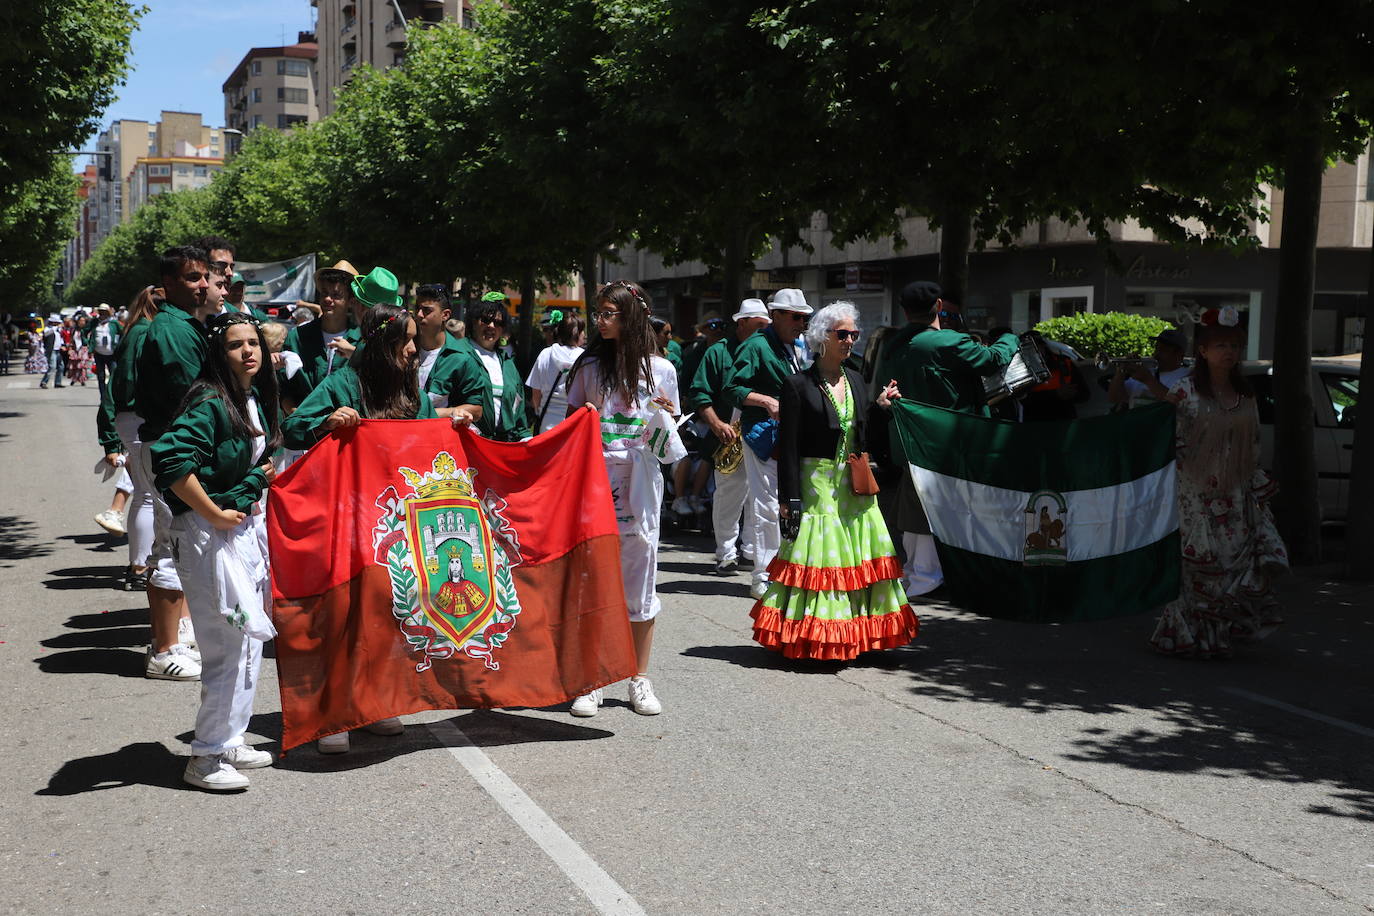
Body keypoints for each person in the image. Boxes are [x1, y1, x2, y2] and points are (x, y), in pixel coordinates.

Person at [280, 303, 460, 753]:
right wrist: (329, 421)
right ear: (383, 344)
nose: (415, 350)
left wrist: (449, 425)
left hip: (393, 522)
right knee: (343, 613)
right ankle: (334, 714)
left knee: (386, 611)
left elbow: (420, 443)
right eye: (407, 340)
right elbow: (293, 426)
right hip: (344, 518)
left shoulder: (411, 390)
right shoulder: (342, 382)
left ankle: (374, 703)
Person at [152, 312, 281, 790]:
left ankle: (230, 739)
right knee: (226, 643)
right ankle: (204, 757)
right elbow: (168, 459)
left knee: (248, 640)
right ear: (217, 353)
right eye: (235, 345)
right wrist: (211, 512)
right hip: (207, 535)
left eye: (254, 343)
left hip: (239, 532)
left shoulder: (248, 398)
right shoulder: (209, 401)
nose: (248, 351)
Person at [751, 302, 918, 659]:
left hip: (851, 481)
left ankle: (854, 635)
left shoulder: (856, 379)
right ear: (822, 337)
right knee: (822, 562)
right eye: (842, 334)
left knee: (856, 559)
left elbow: (861, 433)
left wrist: (880, 408)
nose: (849, 341)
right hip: (816, 484)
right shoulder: (797, 385)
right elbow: (789, 447)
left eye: (853, 335)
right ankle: (816, 639)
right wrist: (789, 499)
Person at [565, 279, 679, 717]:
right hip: (597, 479)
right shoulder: (589, 366)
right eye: (599, 313)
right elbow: (572, 420)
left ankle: (639, 677)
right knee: (594, 574)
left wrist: (667, 415)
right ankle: (591, 679)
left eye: (609, 313)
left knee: (641, 576)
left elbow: (670, 431)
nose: (600, 320)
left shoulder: (661, 368)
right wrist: (584, 416)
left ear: (631, 316)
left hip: (642, 483)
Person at [1150, 308, 1288, 657]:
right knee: (1198, 565)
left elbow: (1254, 441)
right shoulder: (1183, 390)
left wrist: (1254, 482)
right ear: (1202, 351)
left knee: (1233, 562)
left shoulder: (1248, 394)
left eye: (1235, 345)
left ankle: (1221, 634)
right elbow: (1167, 440)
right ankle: (1190, 634)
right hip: (1193, 494)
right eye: (1221, 345)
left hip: (1237, 490)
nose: (1229, 352)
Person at [885, 281, 1020, 599]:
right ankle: (929, 577)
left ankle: (917, 572)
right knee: (942, 510)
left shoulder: (895, 343)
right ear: (940, 306)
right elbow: (993, 359)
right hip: (945, 443)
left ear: (905, 311)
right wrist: (1009, 337)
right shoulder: (945, 341)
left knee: (913, 507)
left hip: (909, 441)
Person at [135, 246, 219, 682]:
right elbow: (193, 400)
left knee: (181, 544)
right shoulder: (172, 330)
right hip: (172, 450)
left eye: (205, 276)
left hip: (179, 448)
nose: (203, 284)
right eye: (192, 277)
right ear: (168, 284)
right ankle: (162, 650)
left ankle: (176, 638)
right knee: (170, 548)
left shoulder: (187, 326)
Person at [723, 288, 814, 598]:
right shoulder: (755, 346)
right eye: (796, 317)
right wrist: (766, 401)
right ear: (776, 316)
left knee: (790, 505)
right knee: (767, 507)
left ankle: (787, 570)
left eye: (805, 317)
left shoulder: (799, 347)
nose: (802, 323)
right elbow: (732, 388)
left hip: (793, 437)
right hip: (764, 435)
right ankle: (764, 575)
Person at [688, 298, 770, 575]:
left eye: (766, 326)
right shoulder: (717, 352)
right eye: (758, 325)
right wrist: (716, 424)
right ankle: (726, 552)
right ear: (742, 323)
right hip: (728, 434)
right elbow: (699, 393)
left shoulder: (769, 350)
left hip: (760, 433)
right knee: (728, 496)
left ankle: (750, 550)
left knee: (759, 497)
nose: (763, 331)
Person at [96, 286, 160, 592]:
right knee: (148, 495)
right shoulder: (144, 332)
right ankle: (140, 567)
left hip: (134, 419)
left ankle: (140, 565)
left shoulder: (138, 330)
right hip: (140, 418)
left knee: (145, 493)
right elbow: (127, 384)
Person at [445, 293, 530, 442]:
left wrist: (526, 439)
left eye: (498, 323)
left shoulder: (508, 362)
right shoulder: (458, 353)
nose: (491, 326)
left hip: (503, 445)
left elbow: (519, 409)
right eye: (485, 320)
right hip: (466, 442)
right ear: (473, 322)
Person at [284, 259, 360, 392]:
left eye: (336, 295)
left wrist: (356, 355)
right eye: (324, 293)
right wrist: (296, 412)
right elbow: (283, 387)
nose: (327, 299)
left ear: (351, 301)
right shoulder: (296, 337)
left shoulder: (362, 340)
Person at [525, 310, 586, 434]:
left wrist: (539, 411)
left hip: (547, 424)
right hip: (575, 424)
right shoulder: (585, 359)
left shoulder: (545, 354)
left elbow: (536, 393)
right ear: (577, 334)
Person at [410, 284, 469, 412]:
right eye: (417, 309)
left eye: (426, 310)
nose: (419, 315)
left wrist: (432, 414)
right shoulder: (404, 348)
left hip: (438, 430)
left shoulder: (461, 357)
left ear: (445, 315)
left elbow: (476, 408)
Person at [1108, 327, 1190, 409]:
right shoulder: (1146, 373)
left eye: (1163, 350)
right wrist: (1121, 371)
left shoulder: (1188, 377)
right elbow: (1114, 398)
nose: (1156, 353)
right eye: (1156, 348)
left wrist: (1148, 379)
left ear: (1179, 355)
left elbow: (1178, 403)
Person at [90, 304, 119, 397]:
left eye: (105, 312)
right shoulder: (94, 322)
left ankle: (113, 397)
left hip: (112, 354)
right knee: (101, 377)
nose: (102, 314)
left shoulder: (114, 323)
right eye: (101, 312)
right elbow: (84, 331)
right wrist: (88, 344)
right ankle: (103, 398)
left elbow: (124, 333)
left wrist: (120, 346)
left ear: (108, 313)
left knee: (114, 376)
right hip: (99, 354)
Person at [39, 315, 64, 388]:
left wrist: (63, 345)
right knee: (52, 367)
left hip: (58, 350)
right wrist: (55, 328)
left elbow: (60, 339)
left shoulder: (58, 330)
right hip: (51, 350)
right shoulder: (47, 329)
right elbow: (46, 334)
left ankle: (58, 382)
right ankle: (44, 382)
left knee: (61, 366)